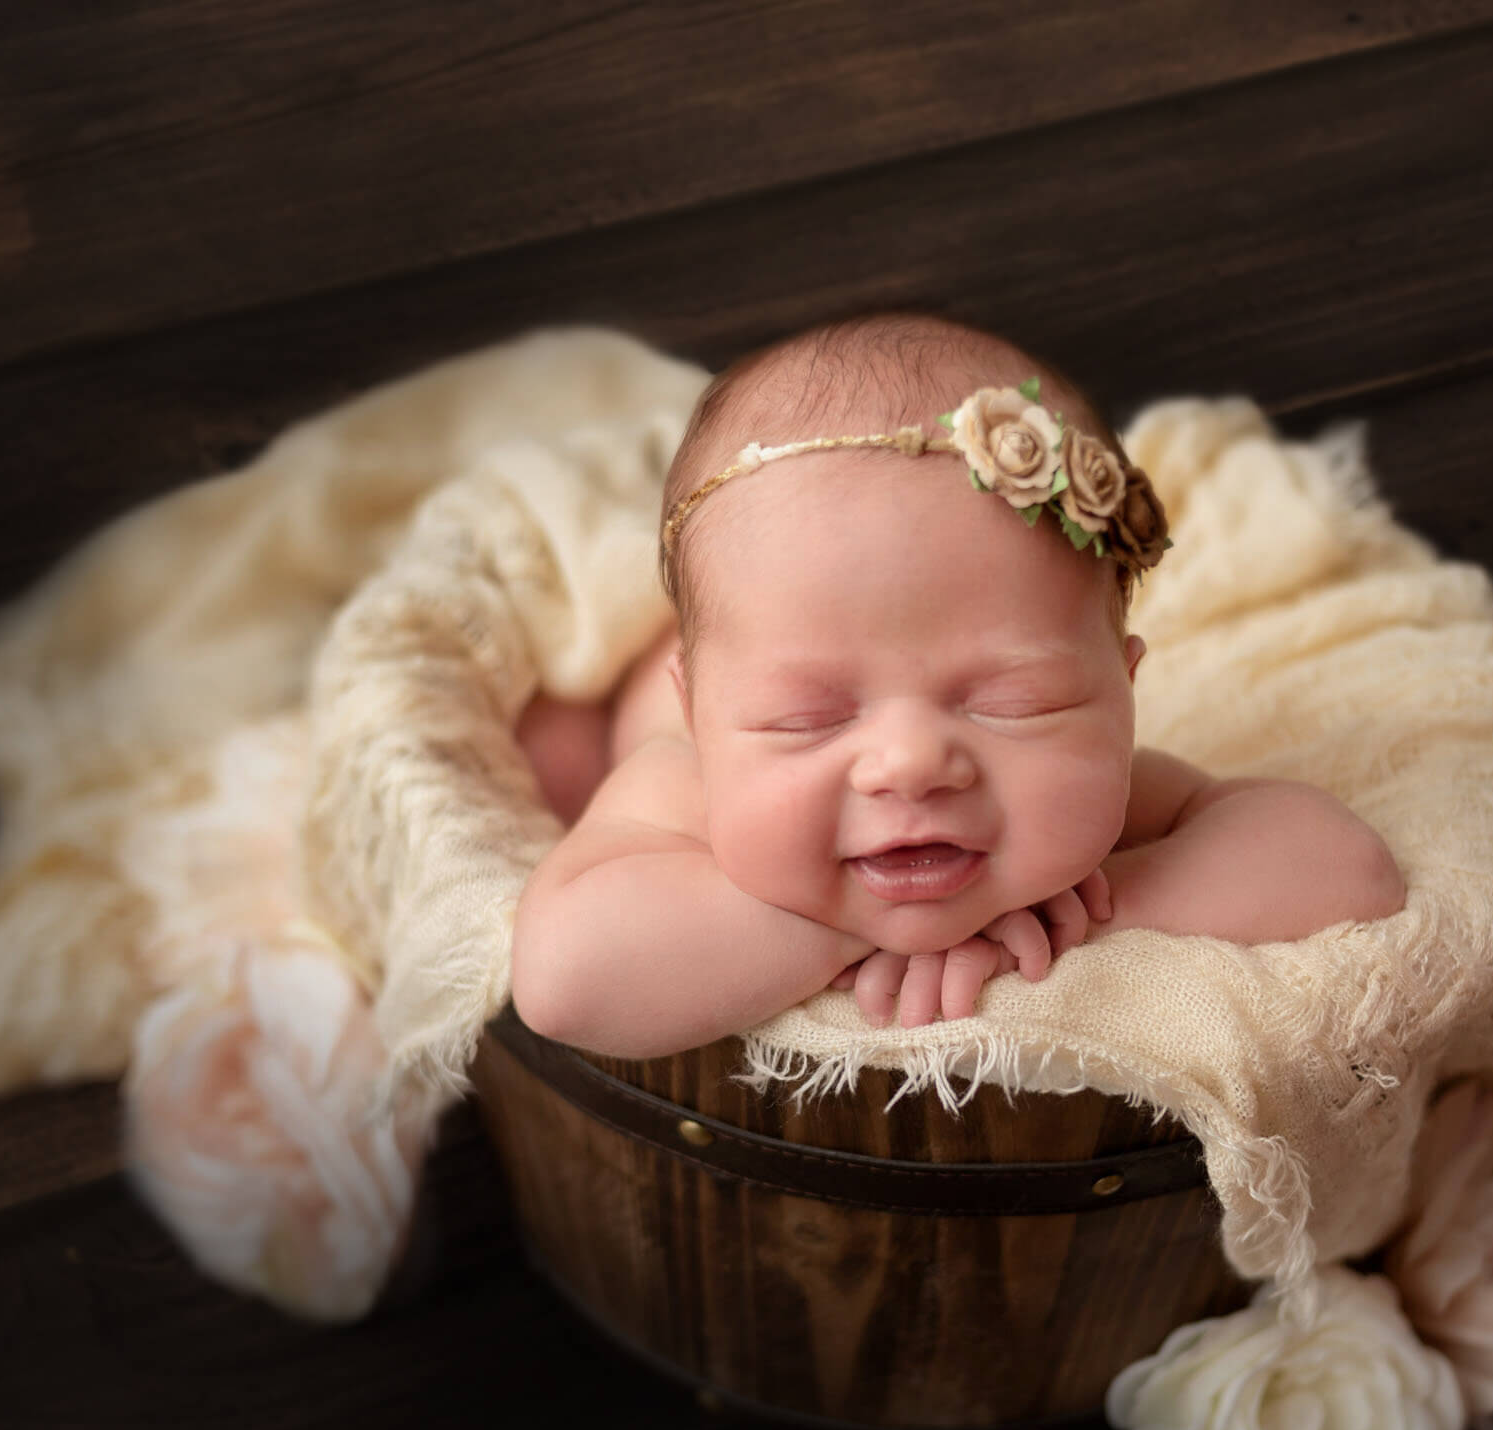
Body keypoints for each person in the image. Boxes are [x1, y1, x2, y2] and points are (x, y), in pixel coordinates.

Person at [510, 313, 1406, 1059]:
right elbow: (561, 980)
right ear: (700, 718)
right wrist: (866, 929)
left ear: (1123, 694)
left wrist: (1095, 908)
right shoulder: (680, 787)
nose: (910, 763)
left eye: (1014, 704)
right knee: (553, 752)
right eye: (806, 718)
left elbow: (1348, 867)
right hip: (634, 701)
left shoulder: (1101, 813)